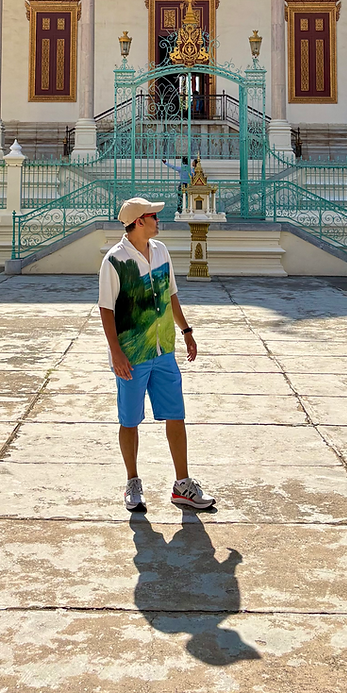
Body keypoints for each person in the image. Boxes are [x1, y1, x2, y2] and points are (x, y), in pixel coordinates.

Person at [98, 196, 216, 514]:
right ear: (139, 222)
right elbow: (106, 310)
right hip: (132, 354)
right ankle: (133, 483)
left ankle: (182, 485)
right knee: (130, 420)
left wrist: (186, 331)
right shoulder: (114, 261)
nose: (157, 220)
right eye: (153, 216)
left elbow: (171, 294)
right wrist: (116, 353)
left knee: (176, 416)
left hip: (164, 350)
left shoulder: (161, 251)